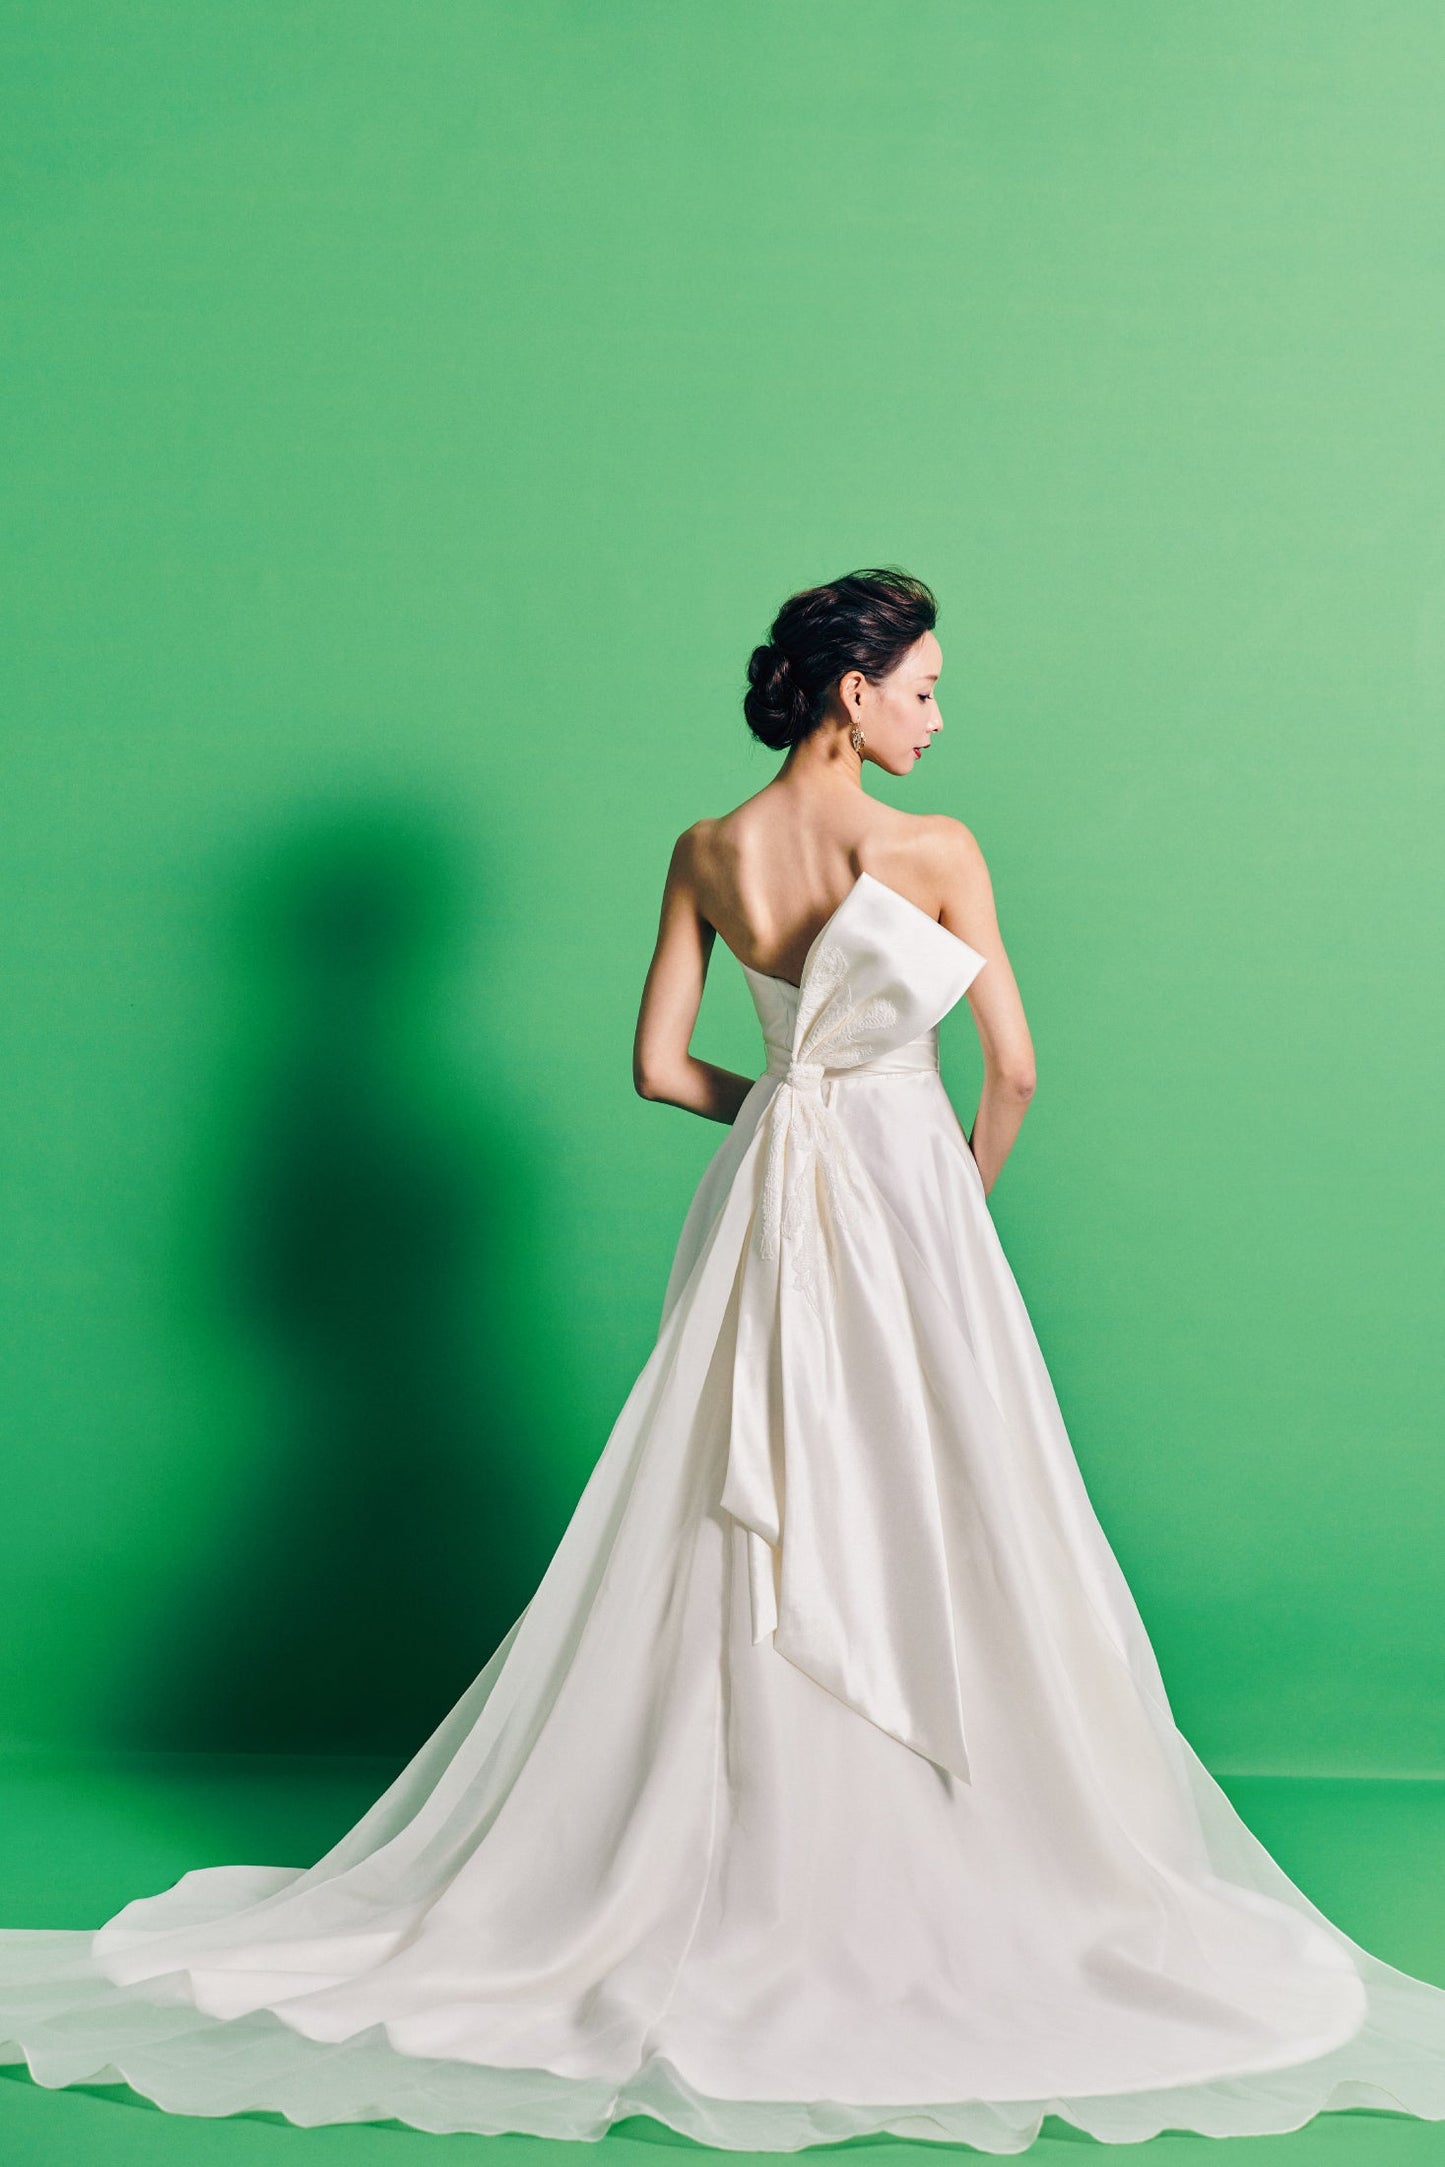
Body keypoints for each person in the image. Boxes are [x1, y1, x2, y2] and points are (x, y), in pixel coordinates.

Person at [2, 568, 1443, 2151]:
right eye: (923, 689)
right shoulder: (936, 850)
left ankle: (729, 1841)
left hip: (766, 1197)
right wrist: (935, 1198)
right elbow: (1016, 1071)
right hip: (907, 1201)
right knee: (941, 1490)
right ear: (852, 691)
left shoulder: (705, 848)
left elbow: (652, 1067)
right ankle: (937, 1836)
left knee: (733, 1491)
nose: (938, 715)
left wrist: (786, 1123)